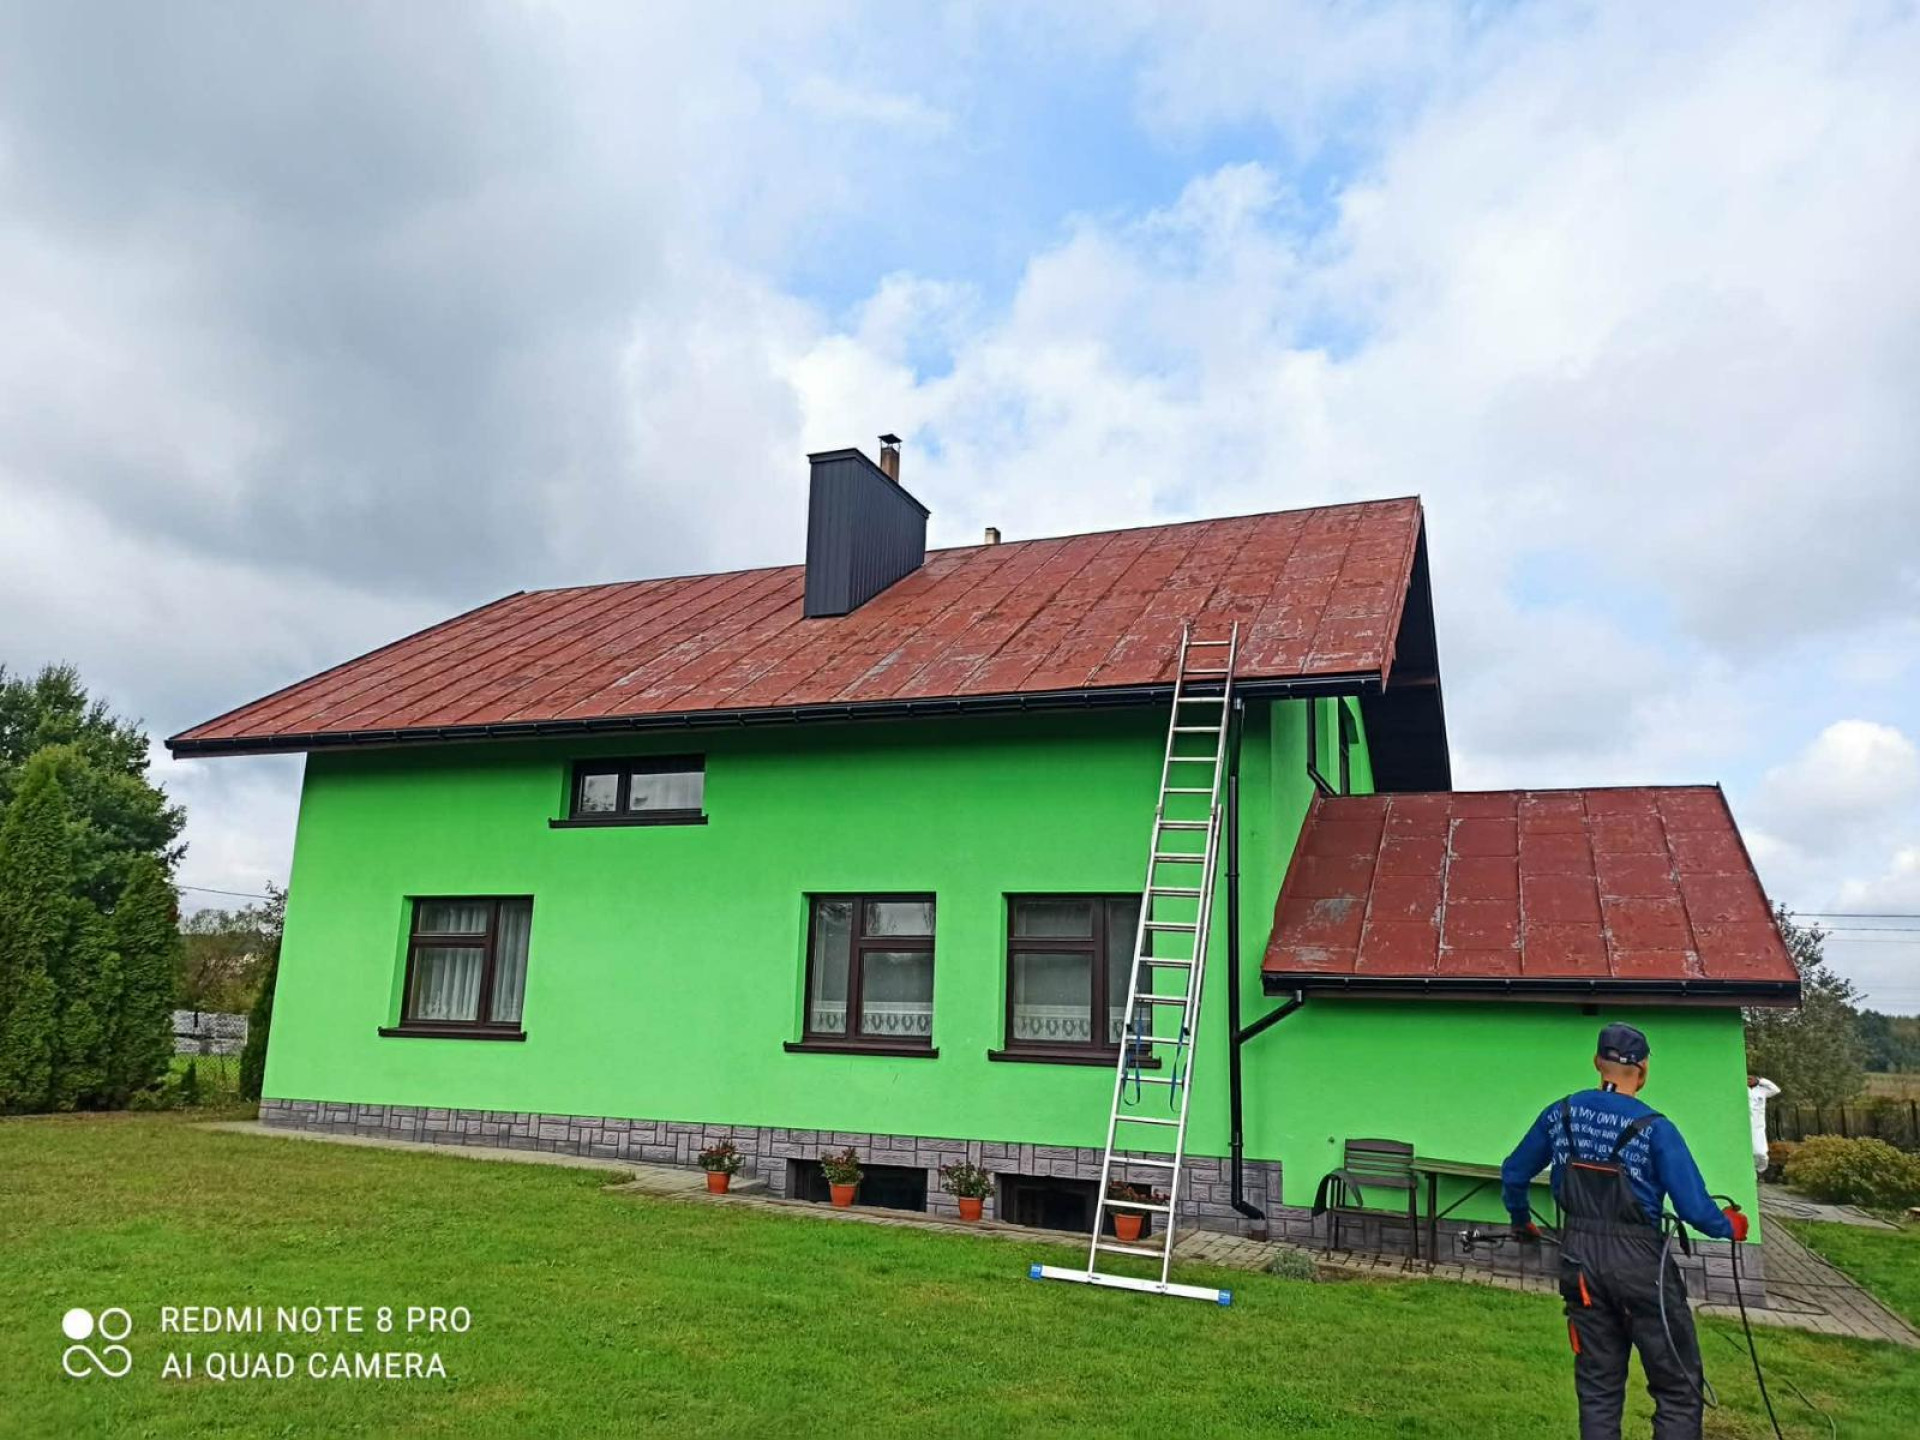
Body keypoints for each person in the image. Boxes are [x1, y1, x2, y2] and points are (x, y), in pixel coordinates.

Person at [1501, 1023, 1748, 1440]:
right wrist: (1729, 1226)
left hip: (1579, 1262)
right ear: (1644, 1069)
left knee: (1598, 1387)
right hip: (1641, 1267)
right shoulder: (1656, 1128)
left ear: (1597, 1062)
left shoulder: (1560, 1114)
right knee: (1677, 1388)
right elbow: (1693, 1209)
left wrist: (1520, 1219)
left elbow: (1514, 1172)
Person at [1748, 1074, 1780, 1174]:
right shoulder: (1741, 1089)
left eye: (1751, 1078)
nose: (1749, 1080)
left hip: (1758, 1125)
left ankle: (1760, 1170)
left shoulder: (1762, 1090)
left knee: (1759, 1152)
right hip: (1743, 1124)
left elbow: (1776, 1090)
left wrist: (1759, 1081)